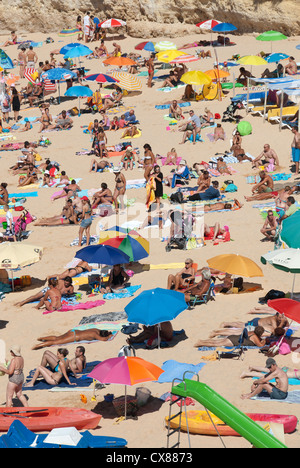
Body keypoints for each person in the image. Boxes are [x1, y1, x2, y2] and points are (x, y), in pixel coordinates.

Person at [210, 313, 289, 338]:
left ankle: (227, 324)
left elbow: (287, 326)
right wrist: (282, 323)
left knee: (242, 324)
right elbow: (276, 330)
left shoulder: (282, 319)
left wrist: (286, 322)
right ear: (276, 315)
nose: (280, 319)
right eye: (279, 318)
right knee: (242, 325)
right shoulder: (273, 319)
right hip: (257, 323)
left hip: (259, 322)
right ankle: (226, 323)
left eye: (281, 317)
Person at [194, 325, 266, 349]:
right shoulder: (255, 337)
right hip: (234, 341)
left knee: (217, 341)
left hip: (233, 337)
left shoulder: (251, 332)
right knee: (216, 344)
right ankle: (200, 343)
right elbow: (260, 346)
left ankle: (201, 341)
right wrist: (264, 341)